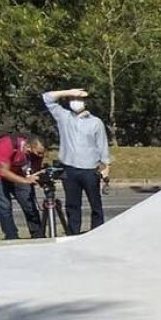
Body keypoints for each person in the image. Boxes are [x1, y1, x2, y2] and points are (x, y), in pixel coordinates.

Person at [43, 88, 111, 234]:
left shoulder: (95, 122)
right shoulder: (64, 117)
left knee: (95, 204)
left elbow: (102, 145)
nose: (76, 102)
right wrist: (69, 91)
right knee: (72, 205)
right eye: (73, 99)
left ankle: (98, 232)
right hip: (70, 169)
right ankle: (73, 233)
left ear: (85, 103)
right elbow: (47, 98)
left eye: (79, 99)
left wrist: (106, 168)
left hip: (90, 169)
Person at [0, 133, 45, 240]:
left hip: (16, 171)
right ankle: (11, 236)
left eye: (42, 153)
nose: (40, 156)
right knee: (4, 206)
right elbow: (4, 172)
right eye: (38, 153)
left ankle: (38, 234)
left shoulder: (36, 154)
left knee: (29, 204)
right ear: (28, 147)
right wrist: (25, 180)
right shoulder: (7, 145)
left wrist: (36, 176)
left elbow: (35, 168)